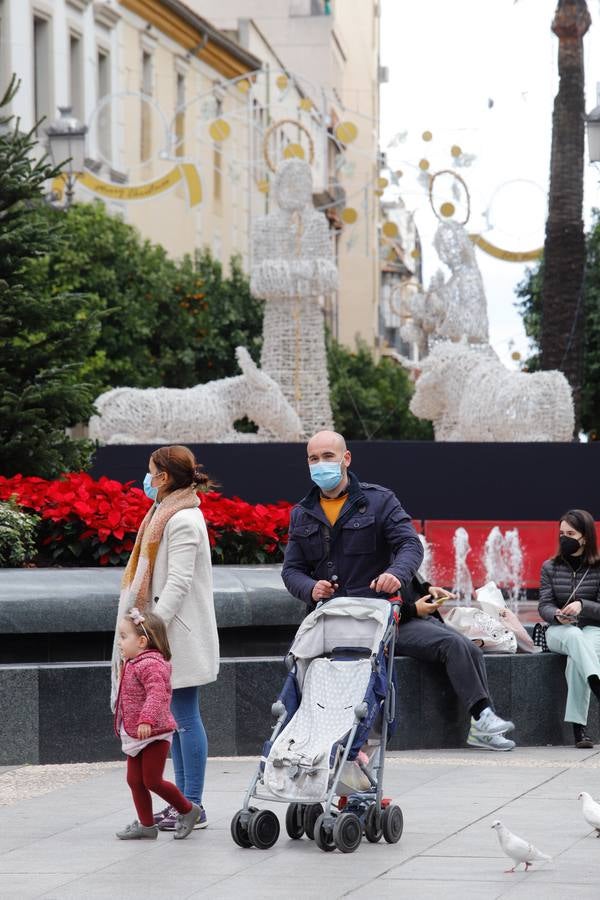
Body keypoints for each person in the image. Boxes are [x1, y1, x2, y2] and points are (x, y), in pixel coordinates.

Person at [281, 430, 516, 752]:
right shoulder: (301, 513)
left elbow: (408, 544)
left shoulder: (379, 500)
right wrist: (310, 588)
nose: (321, 465)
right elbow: (291, 570)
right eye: (313, 459)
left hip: (385, 619)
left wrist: (396, 573)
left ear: (346, 459)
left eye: (328, 457)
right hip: (334, 625)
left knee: (458, 645)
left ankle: (483, 720)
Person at [111, 445, 219, 831]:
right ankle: (185, 803)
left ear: (164, 478)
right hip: (166, 633)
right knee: (176, 719)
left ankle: (195, 804)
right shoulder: (164, 512)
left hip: (175, 635)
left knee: (185, 718)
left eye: (150, 471)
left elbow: (179, 582)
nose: (146, 478)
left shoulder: (183, 518)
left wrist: (150, 627)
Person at [114, 607, 200, 840]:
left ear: (142, 641)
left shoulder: (151, 663)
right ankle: (147, 825)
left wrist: (146, 719)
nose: (119, 642)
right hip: (136, 733)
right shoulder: (133, 661)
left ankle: (188, 810)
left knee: (152, 780)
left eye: (123, 637)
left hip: (154, 732)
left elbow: (157, 693)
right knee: (134, 780)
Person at [538, 509, 600, 749]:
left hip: (594, 629)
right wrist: (556, 615)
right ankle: (597, 684)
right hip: (559, 630)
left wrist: (582, 605)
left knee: (577, 657)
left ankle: (579, 731)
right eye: (561, 533)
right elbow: (544, 605)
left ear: (585, 536)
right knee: (574, 636)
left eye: (570, 533)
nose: (564, 538)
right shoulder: (549, 567)